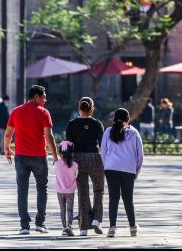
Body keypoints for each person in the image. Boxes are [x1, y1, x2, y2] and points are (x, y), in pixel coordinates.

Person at [4, 85, 58, 235]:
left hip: (21, 157)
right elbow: (49, 136)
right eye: (44, 97)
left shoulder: (16, 111)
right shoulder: (43, 112)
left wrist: (6, 149)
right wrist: (55, 156)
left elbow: (8, 134)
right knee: (42, 189)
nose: (45, 100)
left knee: (22, 190)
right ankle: (40, 223)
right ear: (36, 97)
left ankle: (24, 226)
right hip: (39, 157)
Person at [101, 108, 144, 238]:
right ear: (128, 119)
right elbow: (140, 155)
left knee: (113, 198)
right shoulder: (134, 133)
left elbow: (103, 152)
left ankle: (112, 228)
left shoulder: (108, 132)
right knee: (128, 199)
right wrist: (135, 171)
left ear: (113, 119)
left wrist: (107, 165)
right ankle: (132, 227)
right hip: (128, 168)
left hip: (111, 168)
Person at [65, 96, 105, 236]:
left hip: (78, 160)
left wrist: (68, 162)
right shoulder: (97, 124)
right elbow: (103, 144)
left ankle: (83, 228)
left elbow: (68, 145)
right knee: (98, 190)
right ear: (92, 110)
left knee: (82, 193)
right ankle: (97, 219)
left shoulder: (71, 124)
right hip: (95, 158)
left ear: (79, 109)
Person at [54, 140, 78, 236]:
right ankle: (69, 226)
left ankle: (64, 228)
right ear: (72, 153)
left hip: (60, 190)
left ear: (60, 153)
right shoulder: (75, 165)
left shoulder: (57, 164)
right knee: (70, 209)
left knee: (62, 209)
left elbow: (55, 172)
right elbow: (75, 174)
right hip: (70, 190)